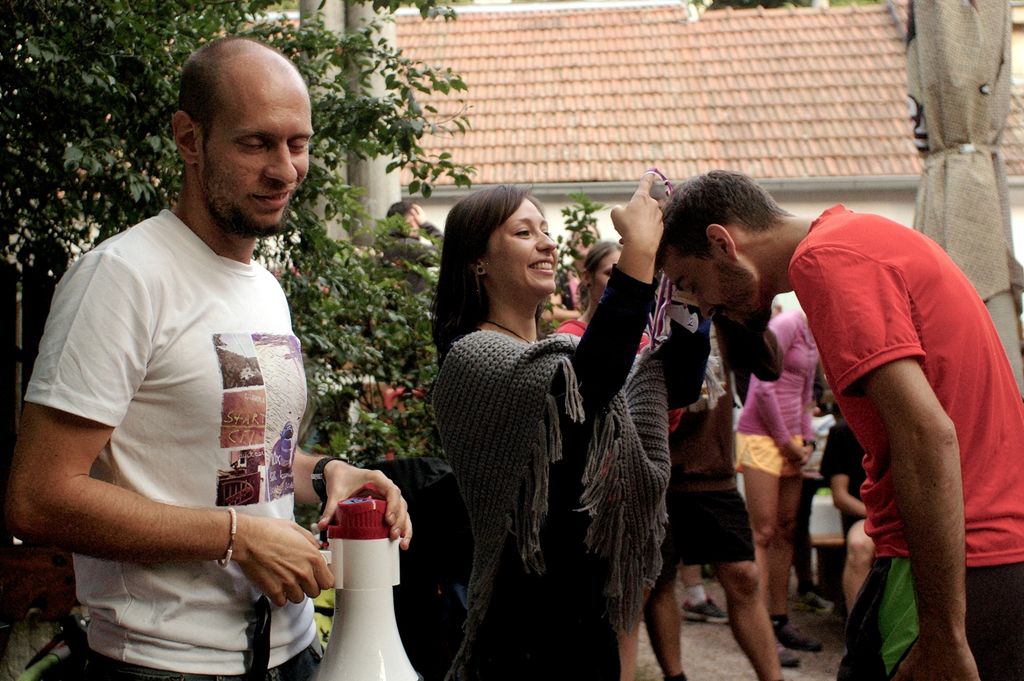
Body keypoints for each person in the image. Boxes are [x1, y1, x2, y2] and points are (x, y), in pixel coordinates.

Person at [4, 37, 412, 681]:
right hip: (161, 665)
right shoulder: (122, 277)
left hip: (291, 653)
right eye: (256, 144)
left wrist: (331, 474)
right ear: (189, 139)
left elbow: (241, 462)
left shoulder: (264, 288)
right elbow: (39, 497)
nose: (285, 170)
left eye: (298, 144)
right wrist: (236, 537)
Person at [657, 169, 1024, 681]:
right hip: (974, 550)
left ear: (722, 243)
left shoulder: (826, 260)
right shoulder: (859, 236)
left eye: (691, 283)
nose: (702, 305)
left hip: (961, 560)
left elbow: (926, 435)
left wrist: (943, 634)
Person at [431, 174, 711, 681]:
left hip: (586, 617)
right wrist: (638, 251)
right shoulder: (472, 356)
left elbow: (675, 384)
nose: (546, 242)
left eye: (545, 229)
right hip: (522, 628)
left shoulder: (561, 356)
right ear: (477, 260)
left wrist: (686, 284)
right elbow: (588, 386)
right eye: (523, 232)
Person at [646, 315, 799, 681]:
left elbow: (770, 365)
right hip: (654, 469)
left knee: (743, 574)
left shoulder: (721, 308)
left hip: (712, 468)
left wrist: (750, 309)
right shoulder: (647, 302)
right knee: (659, 582)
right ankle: (675, 676)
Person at [735, 309, 823, 655]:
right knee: (764, 531)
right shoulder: (787, 324)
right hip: (761, 436)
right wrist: (786, 441)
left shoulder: (816, 333)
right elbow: (762, 386)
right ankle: (759, 627)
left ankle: (779, 619)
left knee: (788, 529)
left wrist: (806, 439)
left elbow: (805, 394)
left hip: (791, 441)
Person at [819, 409, 873, 614]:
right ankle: (857, 625)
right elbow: (840, 496)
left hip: (908, 517)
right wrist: (876, 516)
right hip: (867, 517)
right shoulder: (843, 432)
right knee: (859, 546)